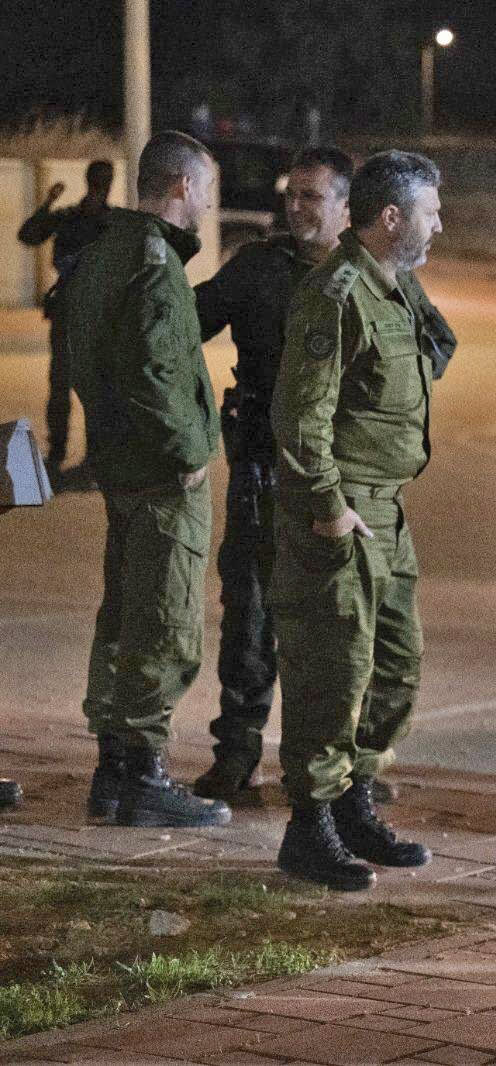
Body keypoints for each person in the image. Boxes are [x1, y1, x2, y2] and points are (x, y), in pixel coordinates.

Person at [190, 146, 454, 804]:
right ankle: (240, 751)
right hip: (267, 469)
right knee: (251, 616)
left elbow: (435, 345)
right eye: (294, 195)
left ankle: (346, 774)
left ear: (347, 208)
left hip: (339, 475)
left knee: (348, 637)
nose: (299, 208)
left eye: (314, 197)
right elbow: (183, 328)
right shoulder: (259, 268)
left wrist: (375, 392)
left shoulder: (385, 279)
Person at [270, 150, 445, 890]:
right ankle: (309, 828)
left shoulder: (394, 288)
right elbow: (299, 415)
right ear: (393, 217)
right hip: (341, 516)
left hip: (388, 513)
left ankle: (353, 803)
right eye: (433, 211)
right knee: (331, 671)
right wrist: (328, 508)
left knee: (395, 668)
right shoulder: (337, 293)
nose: (443, 223)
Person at [60, 131, 231, 829]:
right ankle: (145, 774)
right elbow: (157, 372)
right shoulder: (154, 266)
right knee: (164, 622)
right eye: (209, 190)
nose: (212, 203)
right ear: (183, 187)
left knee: (122, 616)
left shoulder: (103, 253)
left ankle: (111, 769)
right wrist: (191, 450)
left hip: (122, 467)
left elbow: (81, 357)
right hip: (162, 477)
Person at [16, 159, 114, 487]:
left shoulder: (78, 218)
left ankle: (62, 456)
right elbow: (28, 235)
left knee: (68, 385)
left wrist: (48, 202)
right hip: (90, 313)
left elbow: (29, 234)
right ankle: (83, 459)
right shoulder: (110, 223)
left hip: (81, 313)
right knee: (89, 387)